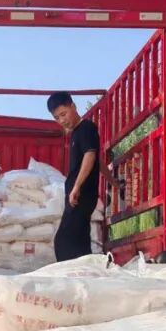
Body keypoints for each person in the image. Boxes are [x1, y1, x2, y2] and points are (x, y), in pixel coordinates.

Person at [47, 91, 104, 262]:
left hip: (81, 195)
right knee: (79, 240)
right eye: (57, 117)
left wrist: (76, 187)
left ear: (73, 106)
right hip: (79, 195)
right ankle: (87, 271)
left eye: (63, 114)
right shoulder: (77, 132)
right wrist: (113, 182)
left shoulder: (86, 128)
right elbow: (98, 161)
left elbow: (90, 155)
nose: (62, 120)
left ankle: (78, 273)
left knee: (64, 241)